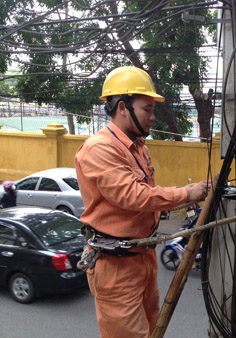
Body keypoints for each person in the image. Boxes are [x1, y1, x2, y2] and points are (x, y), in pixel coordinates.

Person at [74, 66, 209, 338]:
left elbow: (148, 192)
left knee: (151, 328)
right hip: (115, 266)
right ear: (123, 107)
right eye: (147, 109)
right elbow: (133, 195)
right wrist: (186, 193)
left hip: (142, 256)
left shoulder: (138, 147)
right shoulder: (99, 148)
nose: (152, 116)